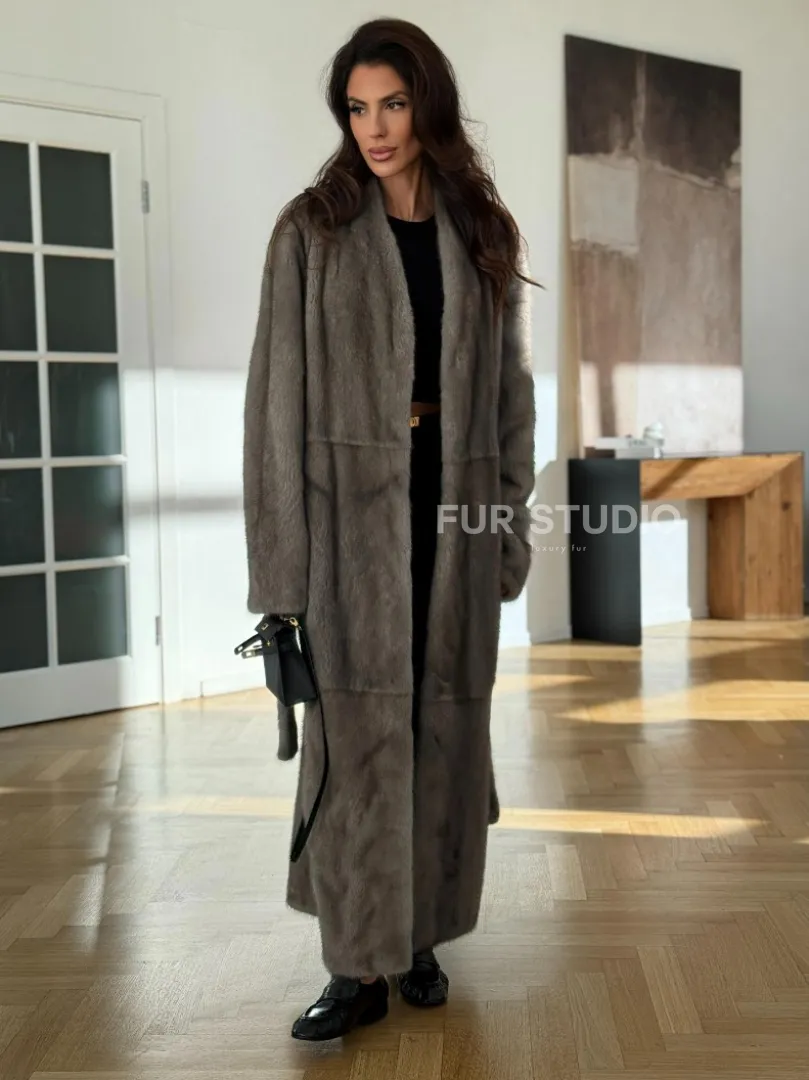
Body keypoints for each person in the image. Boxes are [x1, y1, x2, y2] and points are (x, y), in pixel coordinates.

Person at [242, 17, 537, 1042]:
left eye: (393, 104)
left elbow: (510, 398)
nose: (374, 127)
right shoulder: (311, 230)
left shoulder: (480, 229)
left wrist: (504, 532)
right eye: (357, 108)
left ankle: (418, 936)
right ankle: (355, 963)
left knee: (441, 732)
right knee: (355, 744)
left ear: (428, 106)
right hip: (345, 531)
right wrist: (281, 579)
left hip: (452, 520)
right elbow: (272, 410)